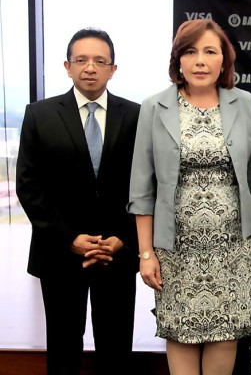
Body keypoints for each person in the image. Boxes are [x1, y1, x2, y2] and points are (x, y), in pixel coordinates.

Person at [128, 19, 251, 375]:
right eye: (190, 52)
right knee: (181, 333)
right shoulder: (154, 107)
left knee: (225, 335)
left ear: (224, 61)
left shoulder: (245, 104)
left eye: (209, 51)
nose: (200, 60)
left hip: (234, 247)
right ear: (178, 61)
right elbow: (142, 190)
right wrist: (146, 253)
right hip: (175, 248)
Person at [16, 28, 140, 374]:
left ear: (113, 69)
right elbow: (29, 185)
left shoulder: (136, 115)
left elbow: (145, 185)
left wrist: (122, 237)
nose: (90, 67)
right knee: (63, 346)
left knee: (116, 348)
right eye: (81, 60)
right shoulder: (39, 114)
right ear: (67, 66)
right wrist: (69, 238)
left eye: (100, 61)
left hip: (116, 250)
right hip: (59, 252)